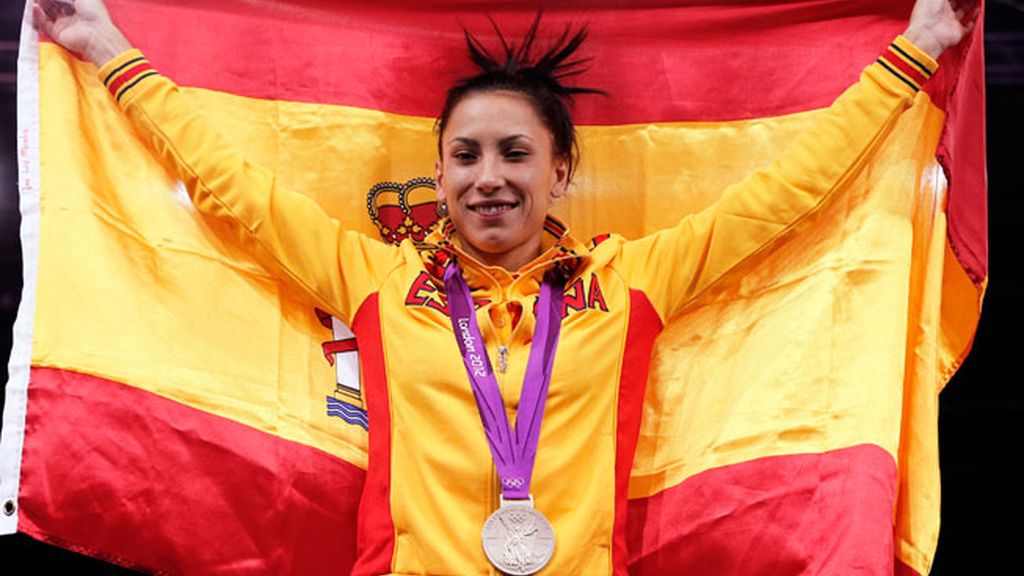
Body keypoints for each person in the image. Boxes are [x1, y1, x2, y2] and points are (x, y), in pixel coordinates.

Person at [33, 0, 974, 575]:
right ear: (438, 178)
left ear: (561, 172)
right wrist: (111, 50)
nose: (490, 176)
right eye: (465, 156)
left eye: (516, 153)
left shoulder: (630, 283)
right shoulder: (375, 279)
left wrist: (918, 48)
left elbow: (784, 198)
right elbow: (228, 185)